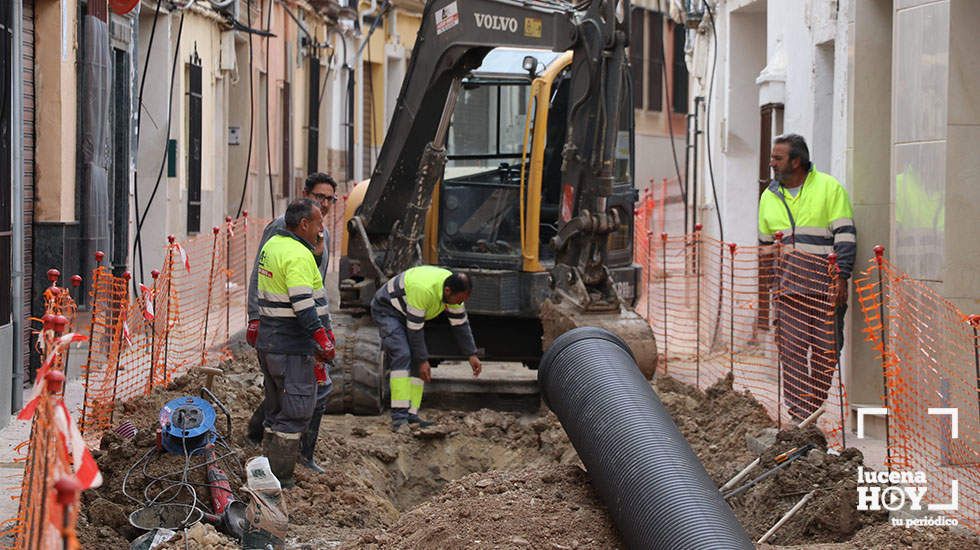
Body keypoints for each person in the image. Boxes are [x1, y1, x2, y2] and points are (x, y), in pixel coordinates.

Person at [758, 134, 856, 420]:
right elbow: (765, 249)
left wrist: (841, 278)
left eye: (778, 158)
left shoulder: (829, 188)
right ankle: (801, 415)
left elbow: (846, 237)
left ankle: (811, 407)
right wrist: (770, 287)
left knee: (827, 353)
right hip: (788, 292)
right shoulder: (768, 197)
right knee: (792, 355)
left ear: (796, 162)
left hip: (826, 291)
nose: (771, 163)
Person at [246, 173, 338, 474]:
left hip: (295, 330)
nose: (324, 205)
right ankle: (285, 462)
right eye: (319, 197)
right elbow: (265, 277)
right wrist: (255, 316)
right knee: (300, 398)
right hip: (293, 333)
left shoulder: (317, 235)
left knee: (288, 396)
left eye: (329, 199)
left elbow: (315, 284)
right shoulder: (284, 234)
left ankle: (282, 452)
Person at [371, 266, 482, 431]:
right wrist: (423, 360)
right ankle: (399, 420)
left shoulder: (454, 292)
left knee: (418, 358)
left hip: (408, 313)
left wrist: (471, 354)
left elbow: (460, 325)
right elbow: (414, 330)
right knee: (403, 355)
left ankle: (412, 416)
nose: (459, 303)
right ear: (448, 291)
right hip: (388, 310)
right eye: (459, 299)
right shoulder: (423, 290)